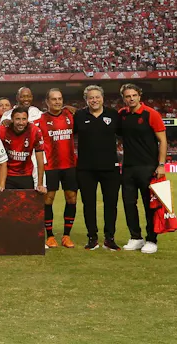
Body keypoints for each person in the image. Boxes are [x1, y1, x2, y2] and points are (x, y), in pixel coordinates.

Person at [118, 83, 168, 254]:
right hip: (128, 167)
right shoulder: (122, 114)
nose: (131, 98)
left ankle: (152, 240)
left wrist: (161, 165)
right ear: (123, 98)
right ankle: (136, 237)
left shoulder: (151, 114)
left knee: (150, 205)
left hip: (148, 167)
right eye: (127, 96)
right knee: (128, 203)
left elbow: (163, 140)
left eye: (134, 95)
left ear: (139, 96)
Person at [74, 85, 122, 251]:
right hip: (86, 169)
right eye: (91, 97)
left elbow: (125, 134)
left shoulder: (113, 114)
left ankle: (110, 238)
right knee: (89, 204)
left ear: (103, 98)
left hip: (110, 168)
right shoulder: (79, 115)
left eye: (97, 97)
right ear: (86, 100)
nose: (94, 100)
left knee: (111, 204)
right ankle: (92, 238)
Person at [39, 88, 79, 249]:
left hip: (70, 165)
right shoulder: (41, 119)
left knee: (72, 198)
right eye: (54, 99)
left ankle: (66, 235)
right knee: (48, 199)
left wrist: (74, 109)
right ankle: (50, 236)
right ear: (47, 102)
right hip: (50, 166)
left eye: (60, 99)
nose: (57, 102)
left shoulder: (71, 115)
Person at [0, 107, 46, 191]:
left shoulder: (35, 131)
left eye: (24, 119)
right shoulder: (2, 130)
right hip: (7, 174)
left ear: (28, 119)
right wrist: (1, 182)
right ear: (12, 119)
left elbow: (40, 158)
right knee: (5, 199)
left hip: (25, 174)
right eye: (18, 119)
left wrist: (40, 184)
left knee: (27, 199)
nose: (21, 122)